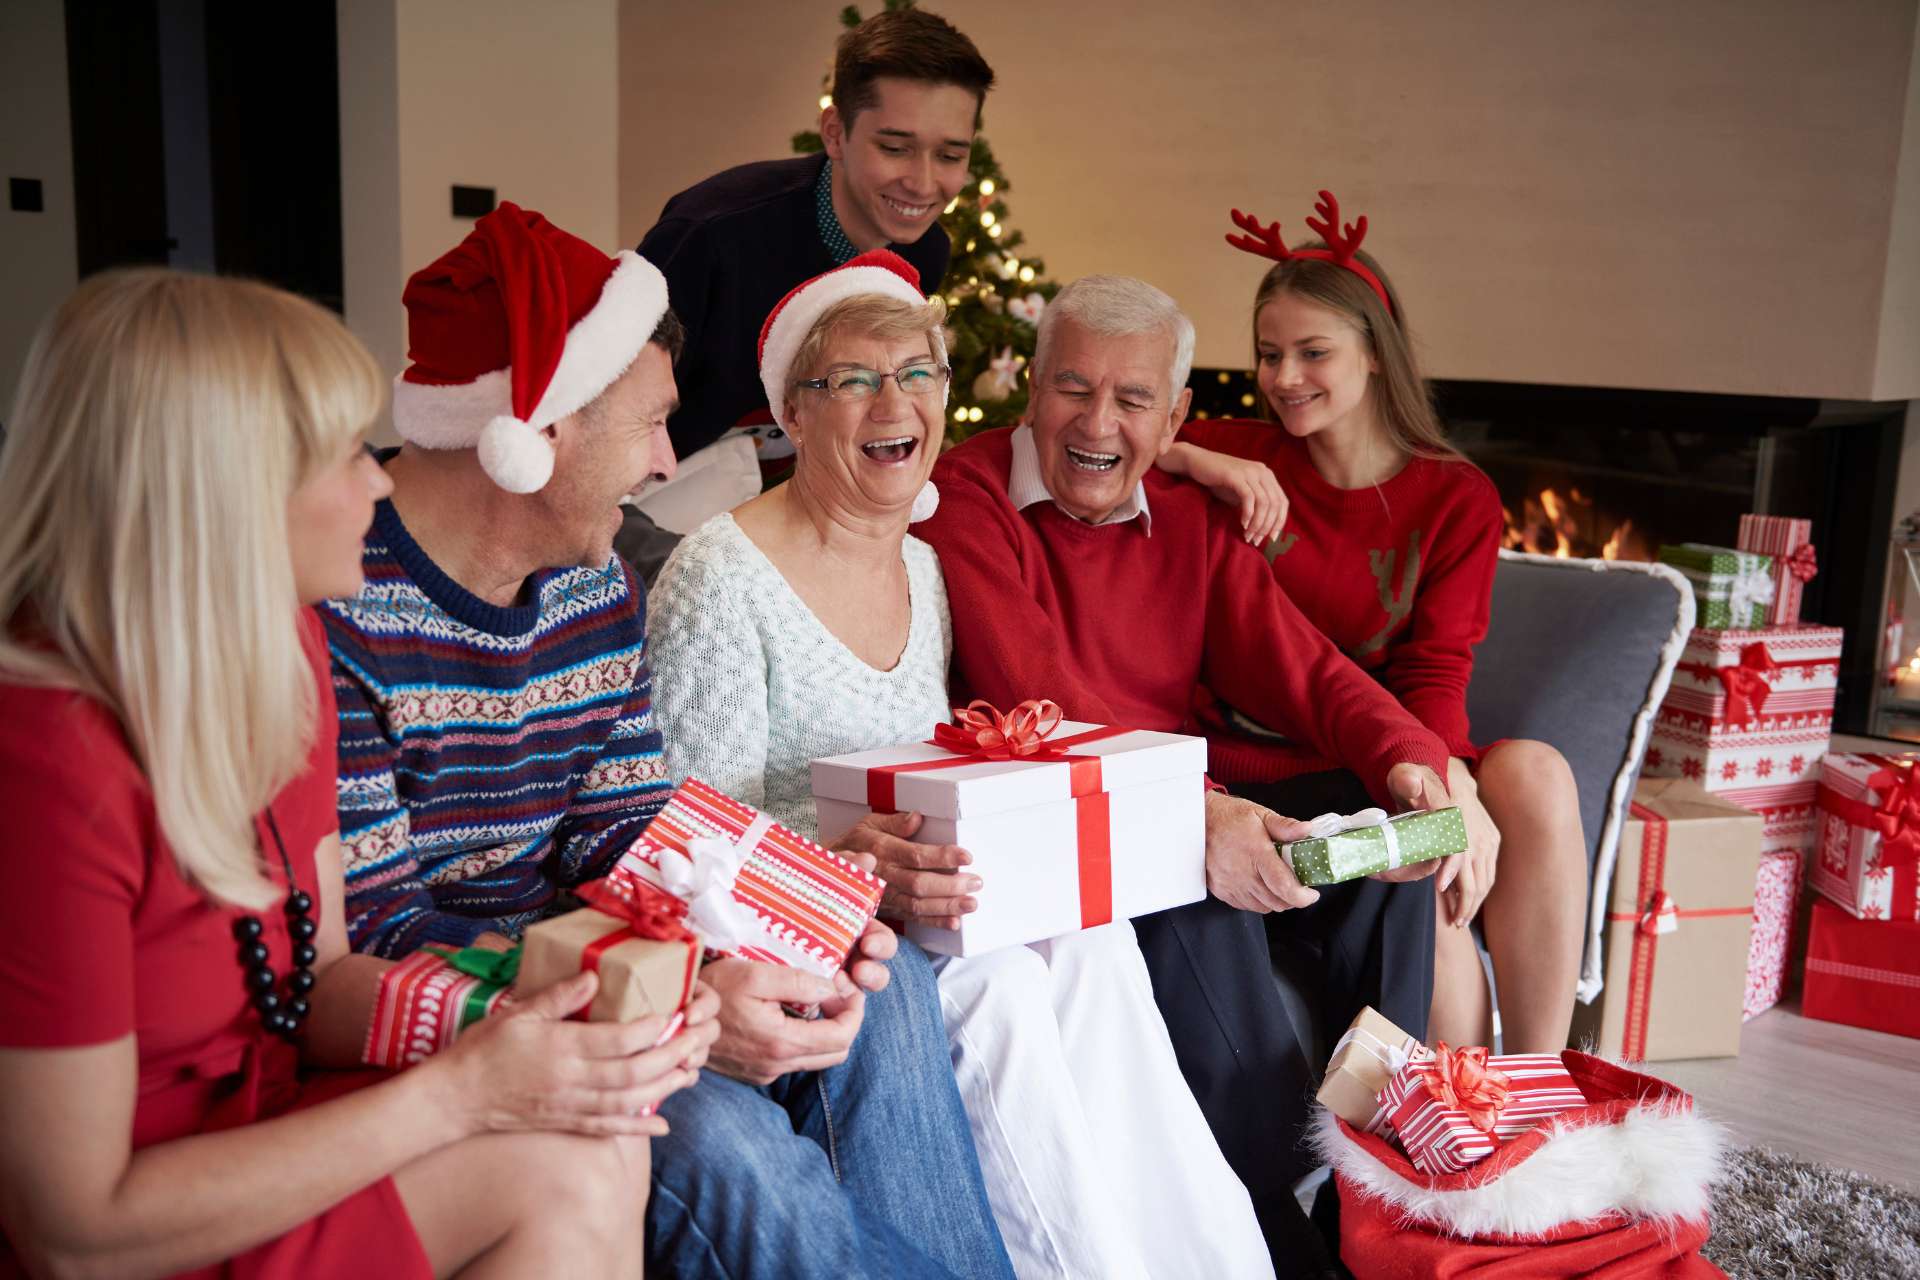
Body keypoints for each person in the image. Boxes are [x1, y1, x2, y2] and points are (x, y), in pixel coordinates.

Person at [326, 205, 1012, 1280]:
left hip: (613, 972)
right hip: (481, 1019)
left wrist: (815, 907)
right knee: (721, 1144)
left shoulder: (592, 584)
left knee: (880, 983)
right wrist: (679, 995)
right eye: (648, 425)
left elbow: (639, 835)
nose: (665, 463)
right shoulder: (340, 604)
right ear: (532, 432)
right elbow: (367, 941)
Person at [0, 269, 710, 1279]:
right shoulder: (42, 762)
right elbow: (74, 1231)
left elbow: (323, 976)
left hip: (279, 1116)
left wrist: (531, 1030)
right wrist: (468, 1088)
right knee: (583, 1160)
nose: (381, 482)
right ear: (219, 490)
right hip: (158, 1213)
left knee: (598, 1133)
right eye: (340, 454)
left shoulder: (281, 650)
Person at [647, 251, 1274, 1280]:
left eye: (918, 373)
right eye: (853, 378)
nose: (893, 401)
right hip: (805, 940)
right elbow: (681, 846)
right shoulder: (721, 575)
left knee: (1094, 939)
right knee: (1000, 991)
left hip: (915, 903)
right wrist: (839, 867)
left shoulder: (925, 566)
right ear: (793, 415)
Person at [914, 273, 1461, 1267]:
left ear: (1173, 419)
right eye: (1073, 388)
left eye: (1132, 400)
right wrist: (1207, 815)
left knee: (1383, 857)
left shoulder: (1187, 517)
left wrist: (1414, 762)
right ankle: (1278, 1237)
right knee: (1194, 884)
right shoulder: (969, 498)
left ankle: (1368, 1188)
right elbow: (1044, 698)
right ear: (1031, 391)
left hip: (1175, 801)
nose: (1097, 420)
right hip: (1067, 814)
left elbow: (1306, 668)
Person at [1158, 193, 1587, 1051]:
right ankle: (1455, 1115)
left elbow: (1436, 671)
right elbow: (1103, 436)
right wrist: (1193, 455)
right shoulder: (1237, 455)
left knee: (1534, 775)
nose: (1284, 378)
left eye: (1313, 352)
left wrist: (1446, 776)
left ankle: (1540, 1087)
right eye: (1270, 353)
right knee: (1432, 903)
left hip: (1385, 754)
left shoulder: (1454, 497)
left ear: (1376, 354)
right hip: (1270, 768)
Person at [617, 6, 994, 579]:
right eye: (895, 147)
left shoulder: (925, 254)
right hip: (655, 505)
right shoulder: (712, 234)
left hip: (798, 510)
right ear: (835, 133)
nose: (923, 183)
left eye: (950, 155)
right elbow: (609, 408)